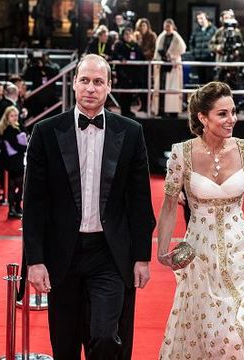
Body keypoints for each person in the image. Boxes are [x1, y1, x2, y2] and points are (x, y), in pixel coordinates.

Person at [22, 54, 155, 359]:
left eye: (98, 81)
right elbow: (34, 204)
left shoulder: (130, 132)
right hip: (61, 253)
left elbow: (139, 201)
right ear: (75, 83)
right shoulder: (46, 132)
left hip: (109, 253)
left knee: (107, 337)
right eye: (85, 80)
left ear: (109, 86)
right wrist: (35, 259)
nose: (91, 88)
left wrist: (141, 257)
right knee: (65, 344)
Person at [158, 81, 244, 358]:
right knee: (213, 336)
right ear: (203, 117)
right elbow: (168, 206)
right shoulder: (182, 153)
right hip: (200, 257)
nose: (232, 119)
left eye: (233, 111)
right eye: (222, 114)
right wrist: (162, 249)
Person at [0, 106, 26, 219]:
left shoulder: (17, 126)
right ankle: (12, 209)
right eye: (12, 116)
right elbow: (17, 146)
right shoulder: (8, 129)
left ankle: (17, 207)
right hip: (10, 162)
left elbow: (24, 136)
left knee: (21, 185)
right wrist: (25, 147)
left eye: (16, 116)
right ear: (7, 117)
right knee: (13, 186)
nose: (14, 118)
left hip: (17, 160)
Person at [152, 19, 186, 117]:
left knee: (173, 88)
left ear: (172, 26)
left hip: (173, 67)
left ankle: (173, 111)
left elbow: (181, 50)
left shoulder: (176, 38)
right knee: (161, 88)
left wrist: (170, 57)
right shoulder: (161, 37)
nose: (167, 28)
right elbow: (157, 52)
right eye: (165, 26)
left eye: (168, 26)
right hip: (163, 66)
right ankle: (161, 110)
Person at [113, 27, 145, 118]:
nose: (128, 36)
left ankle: (128, 110)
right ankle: (124, 110)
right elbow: (115, 54)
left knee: (130, 93)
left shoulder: (135, 45)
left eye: (129, 34)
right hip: (123, 73)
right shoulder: (119, 44)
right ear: (123, 35)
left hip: (133, 73)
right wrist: (121, 58)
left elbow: (141, 56)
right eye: (126, 34)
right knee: (124, 93)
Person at [188, 11, 216, 85]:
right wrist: (194, 53)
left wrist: (212, 53)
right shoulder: (196, 31)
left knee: (209, 79)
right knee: (200, 79)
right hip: (198, 59)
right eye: (198, 19)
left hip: (209, 59)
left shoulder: (213, 29)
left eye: (201, 18)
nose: (200, 20)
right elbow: (191, 43)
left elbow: (216, 43)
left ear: (206, 18)